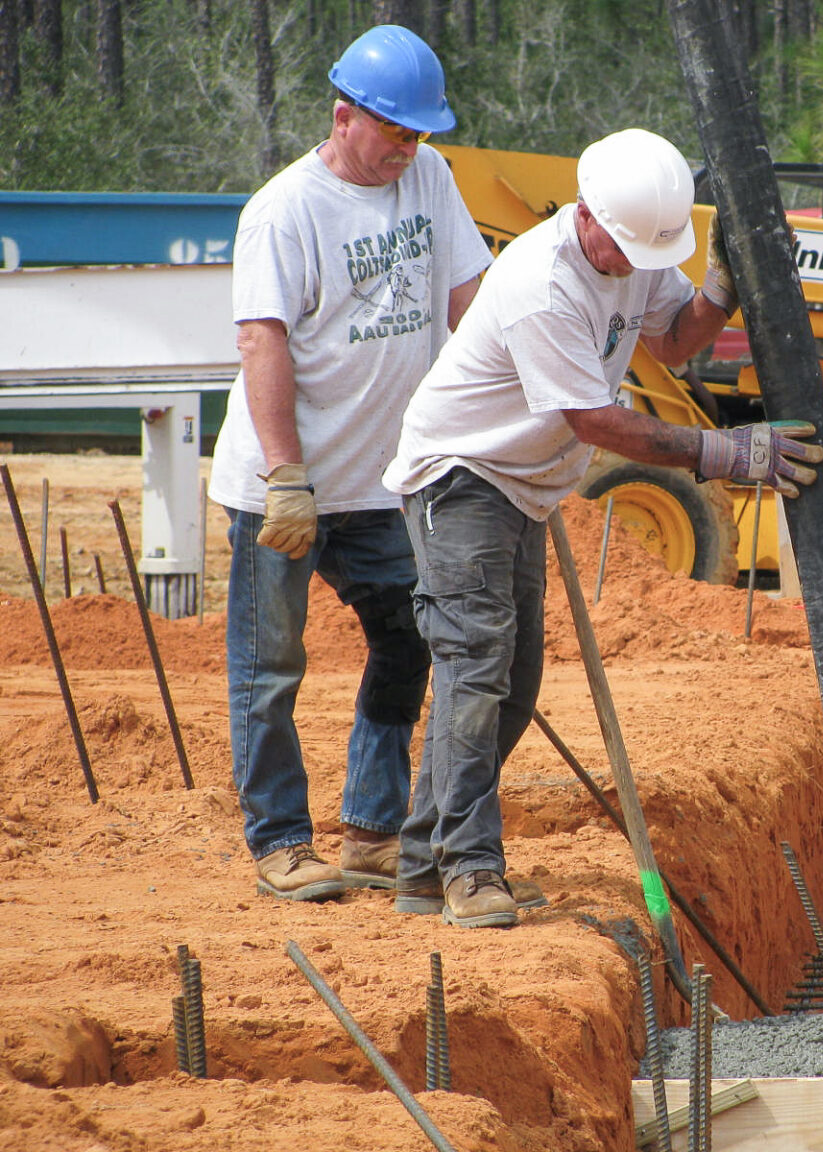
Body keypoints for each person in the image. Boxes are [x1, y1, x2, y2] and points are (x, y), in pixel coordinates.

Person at [381, 128, 823, 928]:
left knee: (508, 692)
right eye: (620, 249)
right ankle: (470, 870)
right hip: (462, 477)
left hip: (520, 488)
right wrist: (720, 452)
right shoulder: (542, 286)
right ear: (585, 214)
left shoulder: (635, 253)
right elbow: (593, 419)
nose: (629, 265)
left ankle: (422, 864)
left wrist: (723, 285)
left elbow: (672, 339)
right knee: (475, 669)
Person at [208, 25, 493, 902]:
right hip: (283, 486)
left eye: (418, 134)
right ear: (343, 116)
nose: (408, 149)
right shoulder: (284, 210)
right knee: (270, 667)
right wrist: (287, 477)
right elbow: (263, 342)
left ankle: (371, 829)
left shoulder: (430, 180)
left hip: (384, 481)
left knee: (409, 638)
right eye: (394, 132)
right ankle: (281, 840)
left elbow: (468, 300)